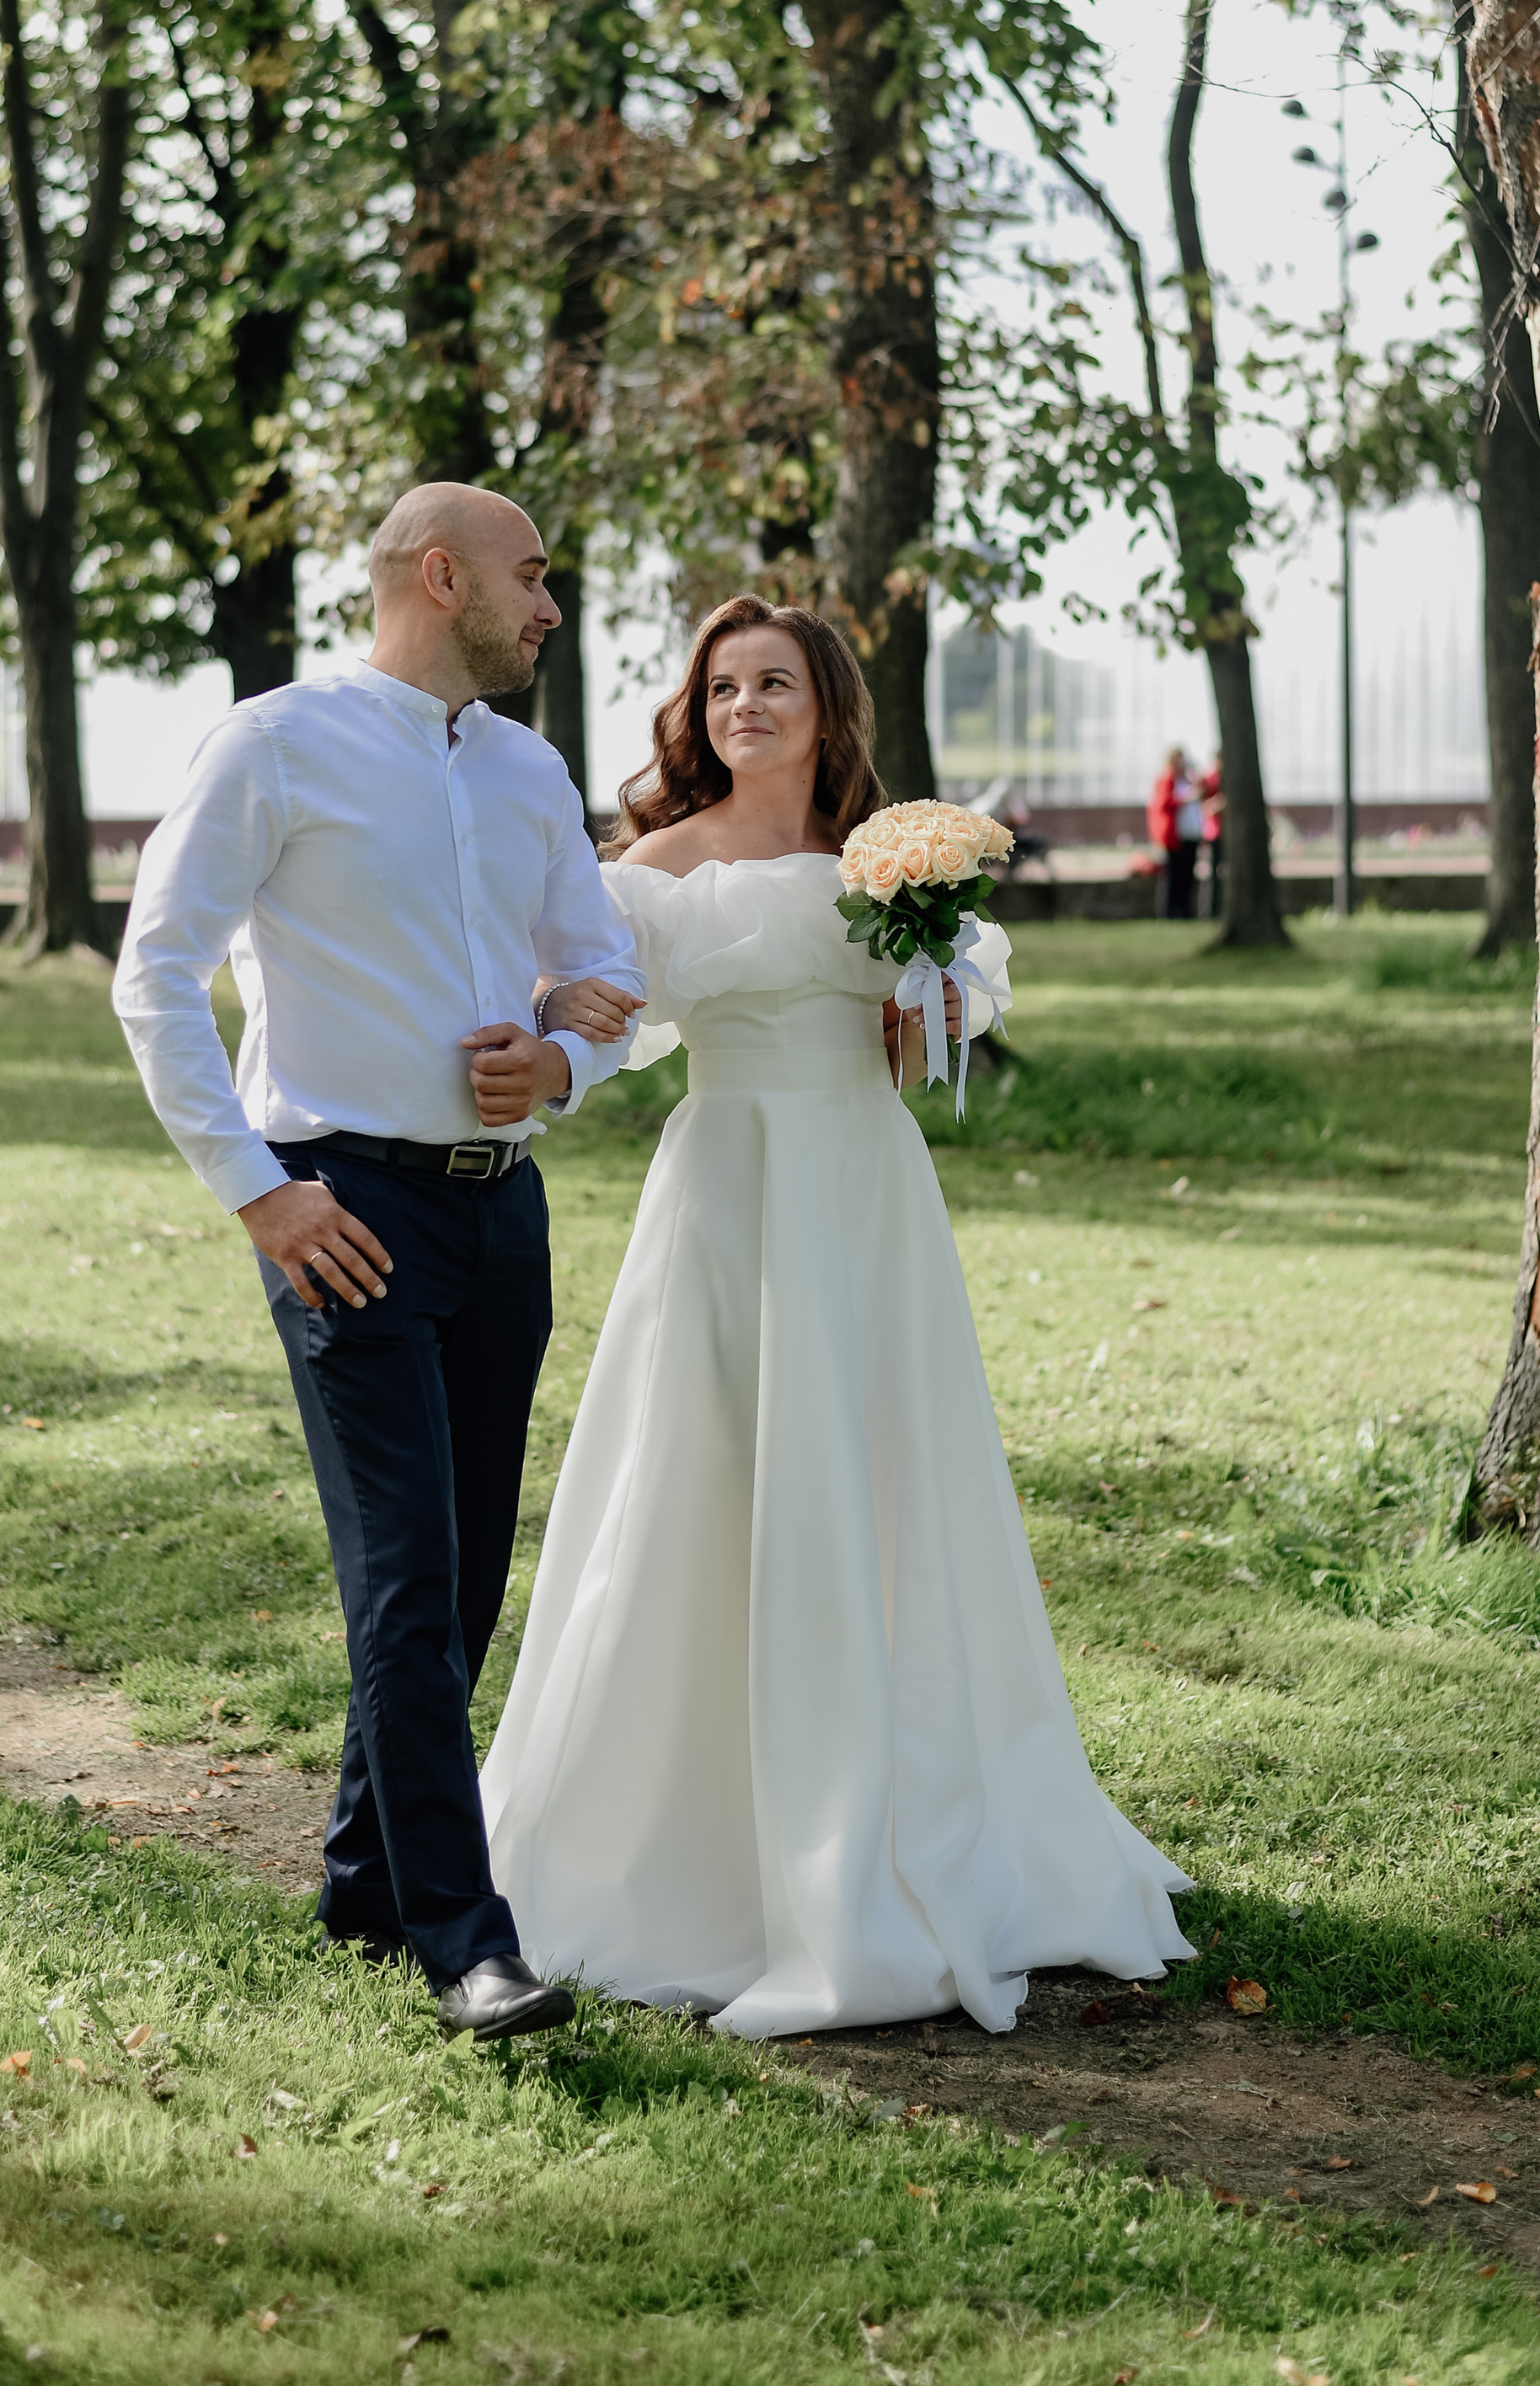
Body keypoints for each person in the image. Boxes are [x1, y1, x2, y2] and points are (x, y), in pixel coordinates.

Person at [479, 596, 1192, 2038]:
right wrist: (550, 1067)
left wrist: (927, 1005)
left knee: (882, 1477)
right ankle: (708, 1846)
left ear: (827, 705)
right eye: (724, 683)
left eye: (775, 681)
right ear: (701, 709)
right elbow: (608, 1027)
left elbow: (951, 1019)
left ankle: (911, 1808)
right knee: (711, 1480)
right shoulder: (651, 868)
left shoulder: (887, 862)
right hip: (728, 1185)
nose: (745, 703)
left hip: (865, 1187)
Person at [112, 484, 646, 2044]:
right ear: (442, 573)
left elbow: (605, 975)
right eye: (531, 575)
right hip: (342, 1211)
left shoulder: (532, 765)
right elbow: (156, 968)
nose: (548, 606)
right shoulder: (275, 741)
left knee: (464, 1580)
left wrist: (554, 1064)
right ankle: (464, 1939)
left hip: (505, 1217)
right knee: (408, 1578)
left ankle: (362, 1878)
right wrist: (257, 1192)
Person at [1147, 744, 1201, 921]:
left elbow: (1203, 787)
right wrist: (1183, 800)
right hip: (1175, 837)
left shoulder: (1186, 779)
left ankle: (1185, 912)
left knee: (1187, 876)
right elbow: (1163, 804)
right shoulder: (1166, 779)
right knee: (1173, 876)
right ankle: (1170, 913)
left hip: (1190, 835)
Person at [1199, 752, 1226, 923]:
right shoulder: (1208, 778)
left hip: (1224, 832)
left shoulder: (1226, 778)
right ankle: (1207, 912)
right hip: (1213, 832)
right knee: (1211, 875)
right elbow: (1204, 805)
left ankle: (1220, 910)